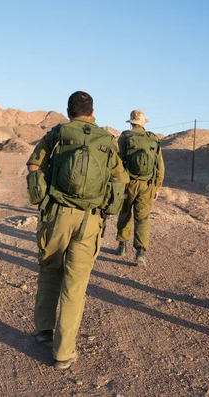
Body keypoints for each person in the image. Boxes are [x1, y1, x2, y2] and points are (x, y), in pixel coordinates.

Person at [26, 91, 129, 370]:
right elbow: (121, 179)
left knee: (50, 270)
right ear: (92, 112)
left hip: (57, 215)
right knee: (75, 284)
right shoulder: (108, 141)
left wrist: (41, 196)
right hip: (90, 220)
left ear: (69, 111)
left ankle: (43, 330)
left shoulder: (57, 134)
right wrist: (109, 211)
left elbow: (34, 165)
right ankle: (63, 353)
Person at [115, 110, 165, 266]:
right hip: (147, 185)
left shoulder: (125, 136)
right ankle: (140, 253)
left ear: (131, 123)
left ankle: (122, 246)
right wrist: (157, 186)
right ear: (143, 123)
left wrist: (117, 183)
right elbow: (160, 166)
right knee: (142, 218)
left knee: (125, 213)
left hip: (128, 182)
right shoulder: (153, 139)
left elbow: (118, 160)